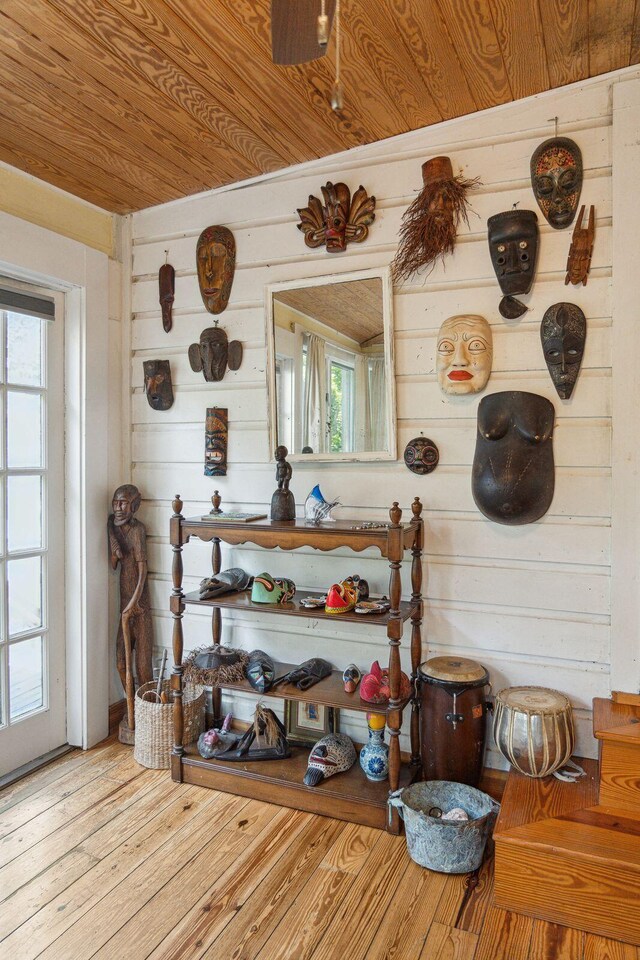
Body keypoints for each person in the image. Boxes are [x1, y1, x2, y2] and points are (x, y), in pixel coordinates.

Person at [108, 484, 154, 696]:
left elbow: (142, 570)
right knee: (120, 661)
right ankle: (132, 707)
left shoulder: (137, 530)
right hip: (124, 609)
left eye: (124, 503)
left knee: (143, 668)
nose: (118, 507)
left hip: (140, 608)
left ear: (134, 505)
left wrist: (135, 602)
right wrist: (115, 553)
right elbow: (114, 565)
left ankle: (147, 711)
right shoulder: (114, 529)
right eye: (116, 502)